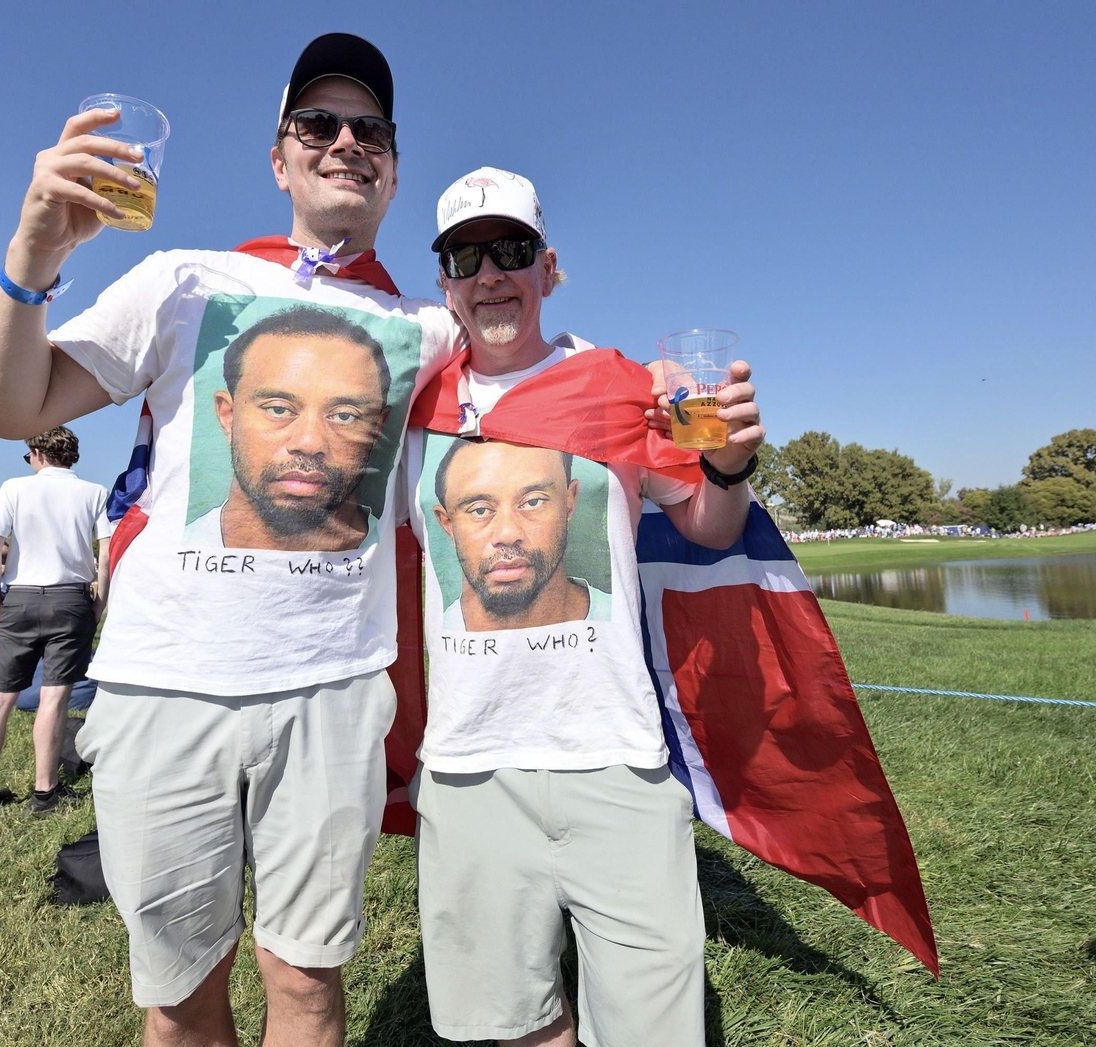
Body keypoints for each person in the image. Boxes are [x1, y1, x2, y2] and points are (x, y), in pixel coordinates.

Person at [0, 34, 475, 1046]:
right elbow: (5, 407)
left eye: (368, 129)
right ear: (278, 160)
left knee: (307, 987)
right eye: (316, 125)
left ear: (394, 165)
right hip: (166, 688)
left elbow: (546, 401)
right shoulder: (182, 279)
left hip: (333, 695)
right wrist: (33, 257)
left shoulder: (427, 325)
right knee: (181, 1002)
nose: (345, 142)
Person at [401, 168, 764, 1046]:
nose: (491, 274)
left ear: (548, 267)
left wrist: (730, 465)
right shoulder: (414, 404)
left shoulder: (621, 384)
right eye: (466, 255)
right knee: (515, 1026)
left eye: (512, 251)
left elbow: (710, 528)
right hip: (468, 767)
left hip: (615, 757)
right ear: (444, 280)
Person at [0, 428, 109, 820]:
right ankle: (44, 792)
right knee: (54, 697)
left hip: (21, 596)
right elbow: (108, 555)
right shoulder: (95, 492)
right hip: (70, 597)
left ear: (36, 453)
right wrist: (101, 601)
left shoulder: (14, 488)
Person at [197, 305, 392, 551]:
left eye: (344, 416)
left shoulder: (399, 556)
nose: (309, 443)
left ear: (378, 427)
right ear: (228, 416)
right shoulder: (161, 557)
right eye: (278, 409)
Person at [431, 442, 611, 631]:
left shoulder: (615, 618)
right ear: (448, 524)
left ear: (569, 502)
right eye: (480, 510)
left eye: (533, 502)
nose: (507, 534)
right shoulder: (443, 626)